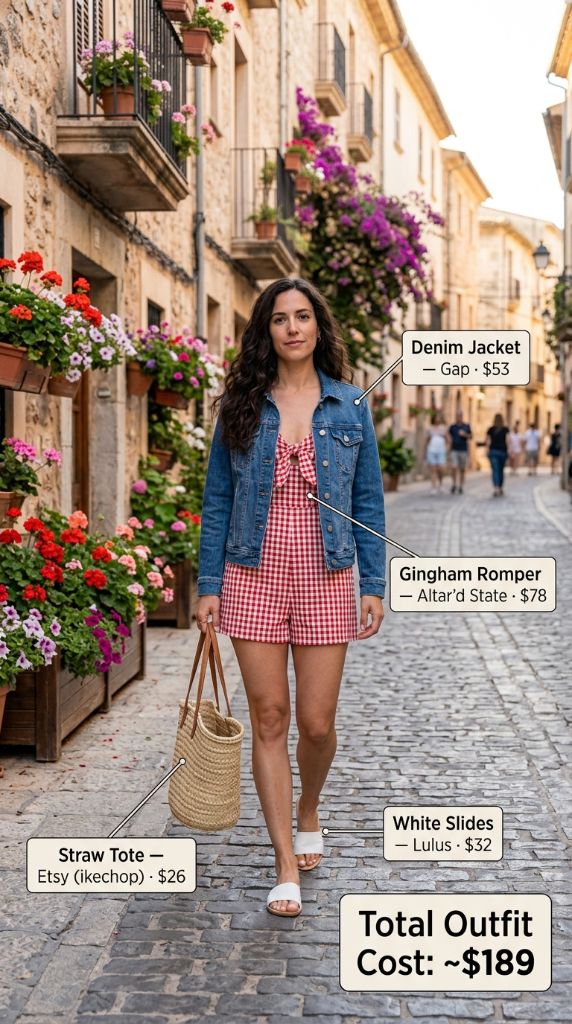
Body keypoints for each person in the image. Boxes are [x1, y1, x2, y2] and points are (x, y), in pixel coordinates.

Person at [195, 278, 386, 919]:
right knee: (270, 716)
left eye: (303, 317)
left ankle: (310, 806)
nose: (293, 328)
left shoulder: (348, 405)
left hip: (328, 574)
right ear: (266, 331)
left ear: (317, 326)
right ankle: (283, 863)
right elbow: (217, 499)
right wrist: (209, 585)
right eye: (281, 319)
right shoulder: (243, 405)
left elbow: (367, 502)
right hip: (253, 573)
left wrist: (373, 583)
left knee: (316, 723)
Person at [448, 411, 472, 494]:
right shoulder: (452, 427)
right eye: (457, 416)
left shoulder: (466, 426)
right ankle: (454, 484)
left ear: (462, 417)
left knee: (462, 469)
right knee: (454, 467)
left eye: (459, 416)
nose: (458, 418)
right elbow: (449, 438)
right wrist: (448, 449)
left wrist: (464, 434)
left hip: (463, 450)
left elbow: (470, 436)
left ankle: (461, 486)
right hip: (454, 449)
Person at [486, 413, 510, 496]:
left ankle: (496, 488)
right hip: (502, 451)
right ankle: (500, 487)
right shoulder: (505, 429)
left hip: (493, 451)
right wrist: (509, 450)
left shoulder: (491, 429)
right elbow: (507, 441)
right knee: (500, 470)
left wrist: (487, 450)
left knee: (495, 470)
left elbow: (488, 441)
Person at [425, 413, 448, 493]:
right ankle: (433, 487)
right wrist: (425, 451)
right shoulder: (430, 429)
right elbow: (427, 440)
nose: (437, 420)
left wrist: (447, 449)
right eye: (436, 418)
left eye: (438, 418)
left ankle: (441, 485)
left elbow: (447, 439)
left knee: (441, 469)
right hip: (431, 450)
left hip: (441, 451)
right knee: (433, 469)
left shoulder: (443, 428)